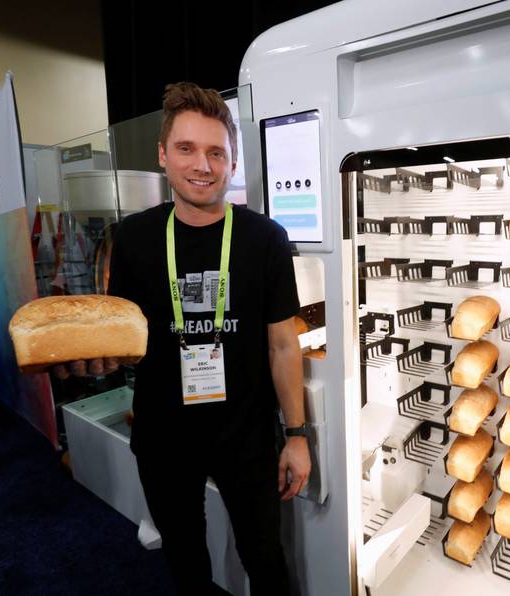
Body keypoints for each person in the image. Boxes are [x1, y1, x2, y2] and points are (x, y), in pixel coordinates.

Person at [54, 82, 310, 595]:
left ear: (233, 162)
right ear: (162, 156)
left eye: (216, 152)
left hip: (247, 435)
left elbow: (283, 345)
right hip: (165, 437)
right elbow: (124, 339)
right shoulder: (132, 239)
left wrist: (299, 435)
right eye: (187, 149)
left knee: (265, 556)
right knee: (185, 556)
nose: (202, 165)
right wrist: (89, 361)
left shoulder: (266, 239)